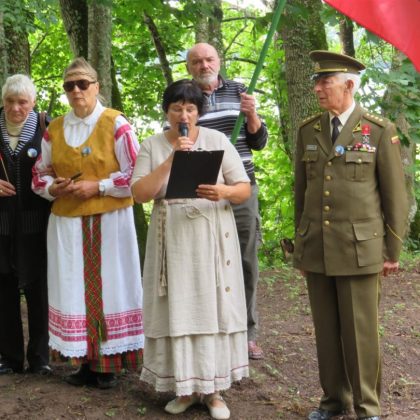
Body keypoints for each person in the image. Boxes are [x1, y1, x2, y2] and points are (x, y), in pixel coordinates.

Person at [294, 51, 408, 420]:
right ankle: (333, 400)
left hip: (360, 248)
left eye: (324, 82)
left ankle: (367, 407)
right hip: (317, 247)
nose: (317, 88)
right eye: (316, 82)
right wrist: (301, 246)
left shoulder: (378, 131)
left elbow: (395, 196)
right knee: (326, 332)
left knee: (360, 332)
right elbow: (302, 194)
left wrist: (392, 250)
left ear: (348, 85)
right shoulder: (308, 130)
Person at [131, 79, 250, 420]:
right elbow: (139, 194)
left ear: (199, 112)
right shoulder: (152, 145)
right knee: (178, 310)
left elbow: (243, 188)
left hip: (211, 238)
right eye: (176, 108)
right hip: (171, 242)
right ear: (166, 111)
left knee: (210, 309)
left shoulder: (217, 141)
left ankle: (213, 391)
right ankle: (184, 389)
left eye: (190, 109)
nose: (183, 115)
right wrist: (171, 161)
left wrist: (223, 192)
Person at [32, 57, 144, 389]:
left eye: (83, 84)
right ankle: (82, 361)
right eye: (70, 85)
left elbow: (137, 173)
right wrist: (54, 188)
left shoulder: (116, 123)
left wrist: (100, 186)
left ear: (97, 86)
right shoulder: (54, 129)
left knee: (112, 286)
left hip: (110, 221)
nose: (76, 90)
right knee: (72, 288)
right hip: (67, 223)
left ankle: (108, 364)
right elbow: (39, 173)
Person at [186, 43, 268, 359]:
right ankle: (211, 330)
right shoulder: (184, 97)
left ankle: (246, 333)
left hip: (241, 189)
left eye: (209, 59)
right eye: (197, 61)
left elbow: (259, 142)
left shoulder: (240, 91)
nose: (204, 65)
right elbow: (175, 140)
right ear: (189, 66)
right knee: (206, 262)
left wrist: (252, 114)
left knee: (245, 261)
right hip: (203, 193)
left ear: (218, 61)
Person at [0, 74, 51, 376]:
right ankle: (10, 357)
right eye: (10, 101)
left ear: (32, 102)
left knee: (38, 289)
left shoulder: (48, 128)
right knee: (3, 288)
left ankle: (40, 357)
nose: (16, 108)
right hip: (1, 224)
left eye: (22, 102)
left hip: (37, 222)